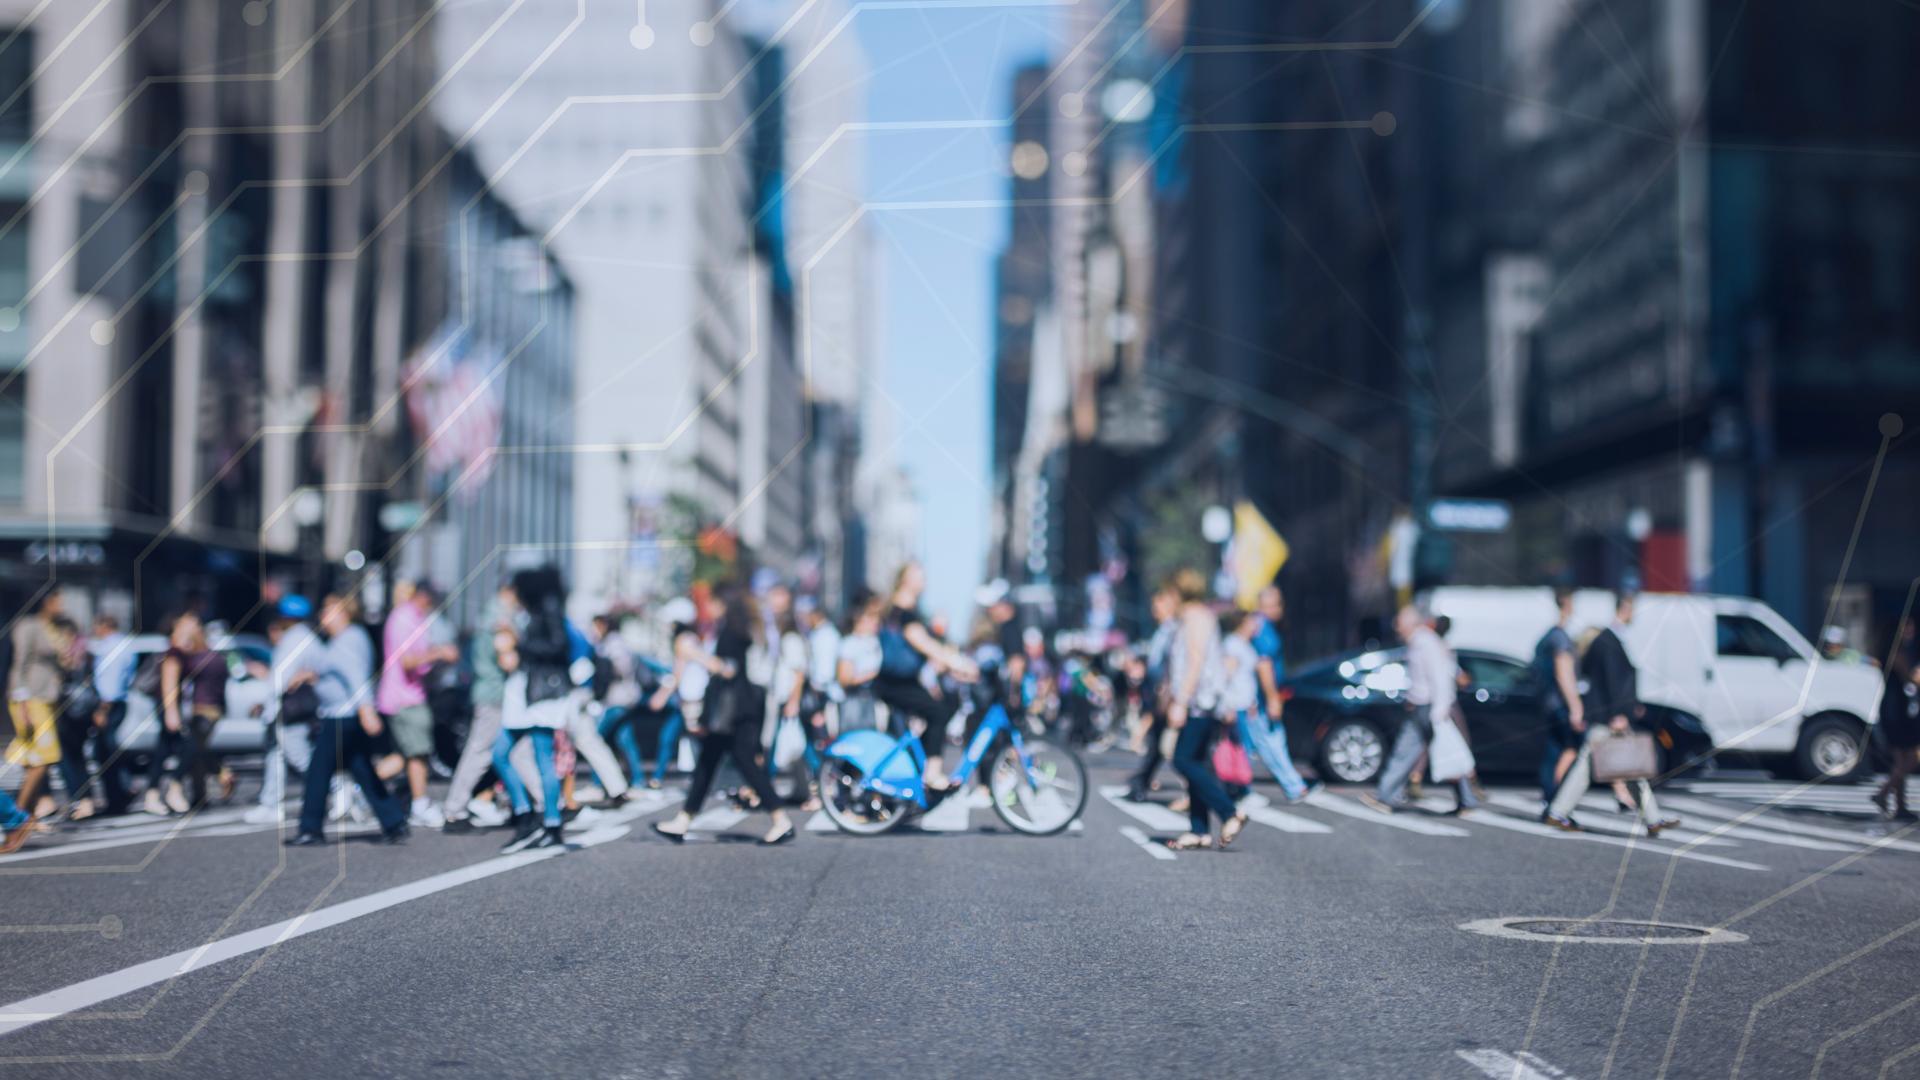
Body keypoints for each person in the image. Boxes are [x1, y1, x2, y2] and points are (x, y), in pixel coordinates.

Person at [651, 588, 795, 845]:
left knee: (743, 763)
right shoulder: (745, 630)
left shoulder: (731, 632)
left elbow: (728, 669)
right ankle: (683, 819)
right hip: (743, 706)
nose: (709, 609)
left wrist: (694, 655)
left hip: (732, 709)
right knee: (710, 762)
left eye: (712, 603)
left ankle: (781, 819)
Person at [1542, 591, 1680, 834]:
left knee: (1628, 766)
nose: (1634, 615)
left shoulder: (1607, 640)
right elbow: (1614, 682)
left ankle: (1653, 819)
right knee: (1618, 765)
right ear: (1625, 609)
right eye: (1632, 610)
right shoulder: (1608, 641)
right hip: (1608, 717)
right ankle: (1558, 811)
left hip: (1607, 715)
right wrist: (1619, 713)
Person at [288, 593, 411, 846]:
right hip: (344, 714)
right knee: (361, 768)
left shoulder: (347, 639)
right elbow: (339, 672)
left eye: (328, 610)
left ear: (343, 613)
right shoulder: (347, 639)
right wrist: (313, 675)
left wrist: (367, 709)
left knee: (318, 771)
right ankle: (393, 821)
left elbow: (356, 676)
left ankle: (310, 828)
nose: (323, 616)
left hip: (342, 715)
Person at [1362, 604, 1480, 816]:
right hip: (1420, 706)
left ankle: (1467, 799)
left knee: (1444, 753)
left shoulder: (1427, 643)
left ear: (1410, 623)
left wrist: (1440, 710)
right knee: (1409, 751)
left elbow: (1440, 677)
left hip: (1431, 707)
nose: (1396, 627)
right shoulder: (1418, 643)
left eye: (1399, 623)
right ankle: (1385, 796)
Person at [491, 567, 575, 853]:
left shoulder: (547, 610)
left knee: (541, 758)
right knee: (501, 754)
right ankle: (532, 816)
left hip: (542, 693)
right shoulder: (536, 611)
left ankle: (548, 822)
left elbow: (557, 646)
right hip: (529, 691)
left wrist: (520, 643)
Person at [872, 563, 977, 790]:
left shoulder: (909, 611)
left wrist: (954, 667)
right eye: (919, 576)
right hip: (893, 683)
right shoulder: (901, 611)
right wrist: (958, 663)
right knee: (937, 711)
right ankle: (932, 774)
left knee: (944, 705)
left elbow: (933, 648)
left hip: (905, 681)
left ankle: (920, 767)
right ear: (905, 580)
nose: (924, 581)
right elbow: (924, 644)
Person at [1163, 569, 1245, 851]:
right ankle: (1199, 830)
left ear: (1179, 592)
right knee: (1194, 761)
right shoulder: (1193, 618)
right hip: (1203, 702)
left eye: (1169, 593)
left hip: (1200, 703)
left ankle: (1229, 812)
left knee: (1182, 760)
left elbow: (1195, 662)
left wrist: (1181, 702)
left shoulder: (1196, 617)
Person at [377, 580, 460, 829]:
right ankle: (420, 803)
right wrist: (439, 653)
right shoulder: (404, 618)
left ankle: (362, 786)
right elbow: (408, 661)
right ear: (424, 596)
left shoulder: (413, 617)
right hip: (405, 696)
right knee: (418, 752)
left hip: (411, 693)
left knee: (407, 755)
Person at [441, 586, 518, 832]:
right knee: (482, 751)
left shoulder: (485, 617)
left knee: (509, 751)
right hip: (495, 694)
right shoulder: (501, 622)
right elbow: (508, 661)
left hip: (486, 691)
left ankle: (529, 804)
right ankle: (454, 809)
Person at [248, 596, 322, 824]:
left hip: (288, 708)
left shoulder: (295, 638)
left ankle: (338, 788)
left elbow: (281, 676)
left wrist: (265, 690)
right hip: (287, 706)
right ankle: (270, 803)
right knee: (275, 755)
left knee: (298, 757)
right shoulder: (308, 638)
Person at [147, 612, 228, 814]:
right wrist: (171, 712)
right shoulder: (174, 653)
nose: (194, 627)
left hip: (176, 707)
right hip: (169, 706)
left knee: (167, 750)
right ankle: (171, 790)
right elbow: (169, 685)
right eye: (188, 624)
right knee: (187, 747)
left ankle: (155, 794)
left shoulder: (184, 651)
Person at [7, 591, 75, 823]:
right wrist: (22, 702)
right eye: (59, 600)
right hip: (30, 699)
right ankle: (17, 816)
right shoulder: (28, 625)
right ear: (46, 602)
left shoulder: (54, 628)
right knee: (44, 758)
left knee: (35, 760)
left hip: (48, 698)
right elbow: (19, 664)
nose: (63, 604)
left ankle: (28, 816)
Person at [1244, 587, 1315, 803]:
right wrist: (1273, 697)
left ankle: (1292, 785)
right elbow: (1263, 666)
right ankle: (1292, 786)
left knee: (1266, 741)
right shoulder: (1262, 628)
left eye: (1278, 603)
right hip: (1259, 698)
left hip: (1258, 697)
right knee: (1268, 741)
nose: (1277, 609)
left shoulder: (1259, 626)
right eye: (1272, 604)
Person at [1126, 582, 1180, 803]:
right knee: (1158, 745)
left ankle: (1211, 790)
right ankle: (1140, 783)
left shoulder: (1174, 630)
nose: (1154, 609)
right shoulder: (1162, 630)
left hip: (1167, 694)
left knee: (1182, 749)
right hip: (1159, 691)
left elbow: (1172, 663)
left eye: (1159, 604)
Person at [80, 613, 137, 818]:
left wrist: (102, 710)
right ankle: (123, 790)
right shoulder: (125, 644)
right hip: (117, 703)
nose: (95, 630)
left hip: (108, 704)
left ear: (105, 625)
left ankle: (119, 794)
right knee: (106, 750)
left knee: (104, 752)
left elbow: (109, 684)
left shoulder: (112, 648)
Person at [1532, 586, 1583, 808]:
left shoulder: (1547, 636)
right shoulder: (1560, 637)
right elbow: (1564, 674)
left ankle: (1549, 796)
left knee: (1553, 750)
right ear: (1568, 605)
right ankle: (1556, 797)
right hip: (1559, 703)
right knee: (1571, 749)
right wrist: (1575, 706)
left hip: (1546, 702)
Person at [1872, 618, 1919, 820]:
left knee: (1900, 759)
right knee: (1913, 756)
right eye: (1906, 628)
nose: (1911, 631)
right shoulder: (1898, 653)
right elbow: (1913, 679)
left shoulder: (1886, 650)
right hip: (1898, 710)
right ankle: (1883, 793)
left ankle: (1900, 806)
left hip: (1892, 708)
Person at [836, 596, 883, 733]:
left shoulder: (876, 641)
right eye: (871, 617)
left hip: (874, 700)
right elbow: (844, 679)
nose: (876, 622)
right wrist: (874, 674)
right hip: (856, 703)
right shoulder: (849, 644)